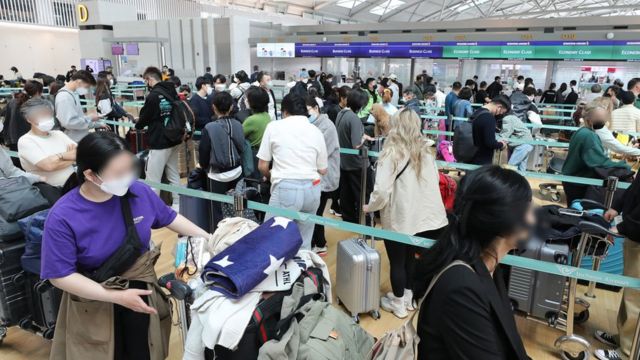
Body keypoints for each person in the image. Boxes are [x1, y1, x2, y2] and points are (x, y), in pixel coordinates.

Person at [41, 131, 209, 360]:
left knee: (144, 350)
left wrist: (209, 238)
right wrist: (115, 296)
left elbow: (169, 217)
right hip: (93, 298)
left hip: (140, 292)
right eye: (119, 173)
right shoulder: (63, 215)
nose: (128, 177)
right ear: (90, 174)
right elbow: (60, 275)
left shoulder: (138, 192)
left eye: (130, 169)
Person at [415, 165, 532, 360]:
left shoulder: (488, 267)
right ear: (507, 221)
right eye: (528, 209)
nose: (533, 218)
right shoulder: (461, 285)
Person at [364, 108, 448, 319]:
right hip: (422, 215)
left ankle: (398, 303)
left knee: (397, 260)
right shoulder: (427, 150)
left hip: (400, 214)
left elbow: (382, 189)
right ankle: (408, 298)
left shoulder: (392, 151)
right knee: (411, 257)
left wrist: (370, 207)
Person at [257, 94, 328, 249]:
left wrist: (271, 177)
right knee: (304, 243)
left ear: (284, 111)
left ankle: (279, 273)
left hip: (286, 188)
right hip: (313, 189)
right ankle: (302, 271)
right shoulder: (316, 131)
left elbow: (262, 165)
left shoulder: (274, 126)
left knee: (270, 240)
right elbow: (323, 169)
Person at [593, 174, 640, 360]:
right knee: (630, 293)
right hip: (635, 235)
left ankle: (628, 352)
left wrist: (623, 227)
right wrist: (617, 206)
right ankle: (623, 337)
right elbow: (636, 186)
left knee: (635, 298)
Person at [562, 102, 631, 203]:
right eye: (600, 118)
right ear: (589, 120)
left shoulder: (582, 131)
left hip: (572, 180)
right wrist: (624, 165)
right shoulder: (589, 136)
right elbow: (598, 162)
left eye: (604, 117)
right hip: (578, 182)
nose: (603, 121)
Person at [136, 66, 183, 208]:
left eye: (146, 80)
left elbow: (144, 119)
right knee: (173, 173)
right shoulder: (171, 91)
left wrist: (137, 124)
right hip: (174, 138)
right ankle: (178, 204)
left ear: (150, 79)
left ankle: (153, 209)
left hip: (159, 141)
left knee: (152, 179)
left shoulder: (153, 96)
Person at [199, 91, 245, 232]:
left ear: (213, 107)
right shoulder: (238, 124)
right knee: (239, 208)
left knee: (217, 211)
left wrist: (205, 167)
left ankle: (219, 238)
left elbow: (204, 154)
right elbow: (242, 147)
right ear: (231, 107)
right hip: (237, 172)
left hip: (217, 176)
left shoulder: (209, 128)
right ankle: (239, 232)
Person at [306, 96, 340, 255]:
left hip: (325, 177)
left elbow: (320, 152)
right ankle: (317, 242)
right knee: (314, 211)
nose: (306, 116)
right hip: (316, 176)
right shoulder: (311, 125)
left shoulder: (327, 126)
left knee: (316, 211)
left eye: (308, 111)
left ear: (316, 108)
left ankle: (319, 244)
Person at [17, 98, 76, 187]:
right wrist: (68, 156)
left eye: (49, 114)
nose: (47, 118)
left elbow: (81, 153)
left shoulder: (59, 134)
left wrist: (57, 159)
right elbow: (49, 166)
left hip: (72, 184)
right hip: (49, 190)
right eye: (41, 115)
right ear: (29, 119)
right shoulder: (26, 141)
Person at [336, 88, 370, 224]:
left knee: (346, 194)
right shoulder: (354, 118)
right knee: (362, 194)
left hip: (344, 161)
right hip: (356, 163)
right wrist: (364, 138)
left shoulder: (341, 114)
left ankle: (349, 219)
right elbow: (356, 144)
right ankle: (366, 224)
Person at [2, 80, 44, 167]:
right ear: (37, 92)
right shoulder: (34, 105)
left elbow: (4, 116)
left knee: (17, 167)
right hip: (29, 141)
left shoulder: (13, 102)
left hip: (13, 140)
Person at [56, 70, 105, 142]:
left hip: (80, 137)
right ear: (79, 82)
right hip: (73, 140)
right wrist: (90, 119)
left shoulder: (73, 94)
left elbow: (77, 117)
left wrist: (92, 120)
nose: (87, 90)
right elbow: (69, 122)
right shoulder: (64, 97)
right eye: (87, 87)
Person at [470, 96, 511, 165]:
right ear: (499, 107)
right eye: (502, 112)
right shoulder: (489, 118)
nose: (500, 114)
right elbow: (490, 142)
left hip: (470, 153)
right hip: (482, 159)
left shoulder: (478, 112)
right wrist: (501, 144)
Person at [243, 86, 271, 151]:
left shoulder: (251, 120)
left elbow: (238, 137)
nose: (245, 100)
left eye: (247, 98)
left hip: (252, 154)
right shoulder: (266, 115)